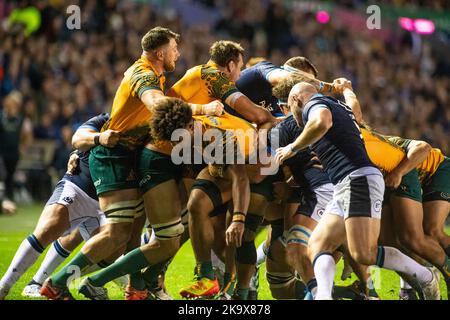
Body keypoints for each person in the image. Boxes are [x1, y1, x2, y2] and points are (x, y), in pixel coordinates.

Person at [275, 82, 440, 300]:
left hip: (357, 180)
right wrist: (347, 91)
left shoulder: (313, 104)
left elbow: (322, 121)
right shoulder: (338, 105)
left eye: (290, 106)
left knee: (364, 253)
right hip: (348, 182)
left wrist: (292, 147)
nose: (293, 115)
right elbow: (353, 111)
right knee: (317, 246)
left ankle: (426, 276)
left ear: (296, 100)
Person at [0, 113, 112, 300]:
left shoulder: (144, 132)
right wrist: (92, 142)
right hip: (80, 184)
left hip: (109, 198)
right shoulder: (107, 118)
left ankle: (79, 283)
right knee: (49, 229)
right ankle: (5, 286)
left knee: (110, 249)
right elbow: (77, 138)